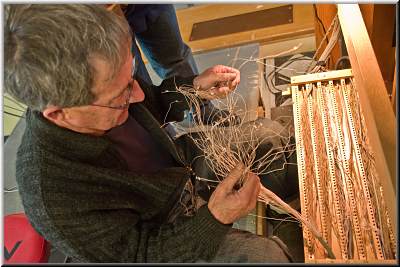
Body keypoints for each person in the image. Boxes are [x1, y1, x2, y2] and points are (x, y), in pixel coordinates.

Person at [4, 4, 293, 263]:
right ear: (59, 113)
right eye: (121, 94)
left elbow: (151, 99)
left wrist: (192, 87)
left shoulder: (107, 85)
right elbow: (144, 254)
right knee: (268, 257)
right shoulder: (55, 198)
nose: (138, 93)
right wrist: (214, 219)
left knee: (271, 139)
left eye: (131, 78)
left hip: (180, 168)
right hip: (164, 228)